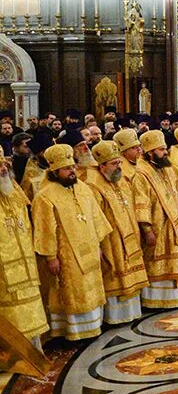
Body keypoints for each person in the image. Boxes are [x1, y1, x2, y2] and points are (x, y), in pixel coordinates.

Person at [32, 144, 110, 341]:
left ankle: (93, 327)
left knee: (90, 286)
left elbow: (95, 217)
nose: (73, 171)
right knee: (71, 291)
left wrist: (99, 245)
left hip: (90, 249)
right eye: (67, 169)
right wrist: (51, 257)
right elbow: (45, 230)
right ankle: (74, 332)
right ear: (55, 171)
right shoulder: (45, 196)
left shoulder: (82, 188)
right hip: (66, 255)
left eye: (73, 167)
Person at [88, 141, 149, 324]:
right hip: (111, 238)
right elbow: (95, 217)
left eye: (119, 162)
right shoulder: (93, 185)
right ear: (102, 166)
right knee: (116, 272)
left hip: (130, 231)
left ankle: (132, 312)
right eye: (114, 164)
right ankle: (115, 316)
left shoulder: (120, 179)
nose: (119, 167)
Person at [134, 130, 178, 310]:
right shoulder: (141, 174)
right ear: (150, 152)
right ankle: (156, 301)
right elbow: (140, 203)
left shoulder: (169, 168)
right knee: (158, 263)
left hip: (174, 225)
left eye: (165, 148)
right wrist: (147, 230)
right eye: (161, 150)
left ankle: (177, 298)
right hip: (157, 227)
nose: (165, 153)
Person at [0, 156, 48, 348]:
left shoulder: (14, 190)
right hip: (3, 273)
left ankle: (34, 353)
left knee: (30, 312)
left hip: (26, 264)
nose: (3, 169)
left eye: (4, 164)